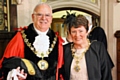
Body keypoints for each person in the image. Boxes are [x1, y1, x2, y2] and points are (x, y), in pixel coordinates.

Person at [0, 3, 64, 80]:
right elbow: (7, 65)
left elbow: (60, 71)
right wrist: (15, 75)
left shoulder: (57, 40)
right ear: (33, 17)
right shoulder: (20, 38)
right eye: (39, 14)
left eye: (47, 15)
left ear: (51, 18)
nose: (44, 18)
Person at [60, 14, 114, 80]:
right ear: (70, 33)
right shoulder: (65, 49)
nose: (77, 35)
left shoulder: (98, 48)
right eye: (74, 31)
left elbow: (107, 75)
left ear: (87, 31)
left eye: (80, 31)